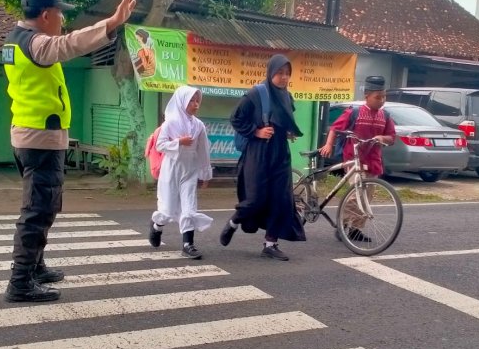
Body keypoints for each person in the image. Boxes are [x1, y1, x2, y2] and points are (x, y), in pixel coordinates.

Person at [1, 0, 137, 303]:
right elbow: (69, 44)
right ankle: (20, 282)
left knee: (46, 206)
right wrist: (111, 22)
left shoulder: (15, 40)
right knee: (37, 210)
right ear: (46, 15)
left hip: (34, 135)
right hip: (39, 140)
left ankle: (35, 267)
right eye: (60, 13)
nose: (63, 19)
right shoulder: (36, 43)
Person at [220, 54, 306, 260]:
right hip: (258, 153)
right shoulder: (255, 94)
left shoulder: (286, 96)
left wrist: (287, 132)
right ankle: (233, 222)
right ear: (270, 73)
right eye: (280, 73)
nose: (284, 78)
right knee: (255, 198)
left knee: (281, 199)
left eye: (287, 74)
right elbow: (236, 118)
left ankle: (270, 244)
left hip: (280, 153)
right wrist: (256, 131)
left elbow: (283, 120)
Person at [318, 75, 396, 242]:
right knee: (355, 195)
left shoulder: (386, 116)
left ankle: (355, 229)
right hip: (354, 159)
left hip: (374, 161)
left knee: (367, 197)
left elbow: (391, 137)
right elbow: (335, 128)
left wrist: (382, 139)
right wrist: (329, 145)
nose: (381, 100)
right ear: (366, 96)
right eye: (377, 97)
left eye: (384, 97)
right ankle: (344, 225)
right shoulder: (353, 113)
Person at [148, 86, 213, 259]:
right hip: (171, 169)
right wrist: (178, 142)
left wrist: (205, 174)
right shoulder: (170, 123)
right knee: (167, 210)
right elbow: (160, 145)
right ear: (182, 101)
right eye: (191, 100)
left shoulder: (199, 125)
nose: (195, 104)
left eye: (197, 100)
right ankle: (156, 225)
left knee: (189, 208)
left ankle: (188, 244)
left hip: (189, 170)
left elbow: (203, 150)